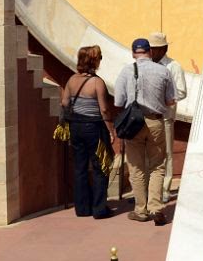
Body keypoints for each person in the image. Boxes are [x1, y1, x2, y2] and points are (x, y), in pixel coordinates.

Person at [113, 38, 177, 225]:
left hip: (133, 124)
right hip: (156, 121)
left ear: (134, 53)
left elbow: (118, 101)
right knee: (157, 166)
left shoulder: (126, 71)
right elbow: (171, 100)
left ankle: (141, 210)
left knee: (136, 167)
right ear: (149, 51)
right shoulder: (163, 71)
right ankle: (156, 207)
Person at [60, 45, 117, 219]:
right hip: (94, 127)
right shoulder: (97, 82)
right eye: (99, 57)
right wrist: (111, 130)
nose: (100, 60)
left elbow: (64, 103)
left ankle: (82, 208)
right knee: (101, 167)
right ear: (93, 60)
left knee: (80, 167)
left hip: (76, 127)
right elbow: (104, 110)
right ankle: (99, 208)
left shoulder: (71, 80)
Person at [149, 31, 188, 199]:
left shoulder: (174, 66)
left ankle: (164, 190)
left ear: (164, 49)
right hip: (148, 117)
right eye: (150, 48)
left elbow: (181, 91)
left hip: (165, 116)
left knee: (166, 154)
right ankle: (149, 190)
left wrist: (164, 99)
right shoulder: (146, 65)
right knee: (148, 154)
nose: (152, 51)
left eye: (155, 48)